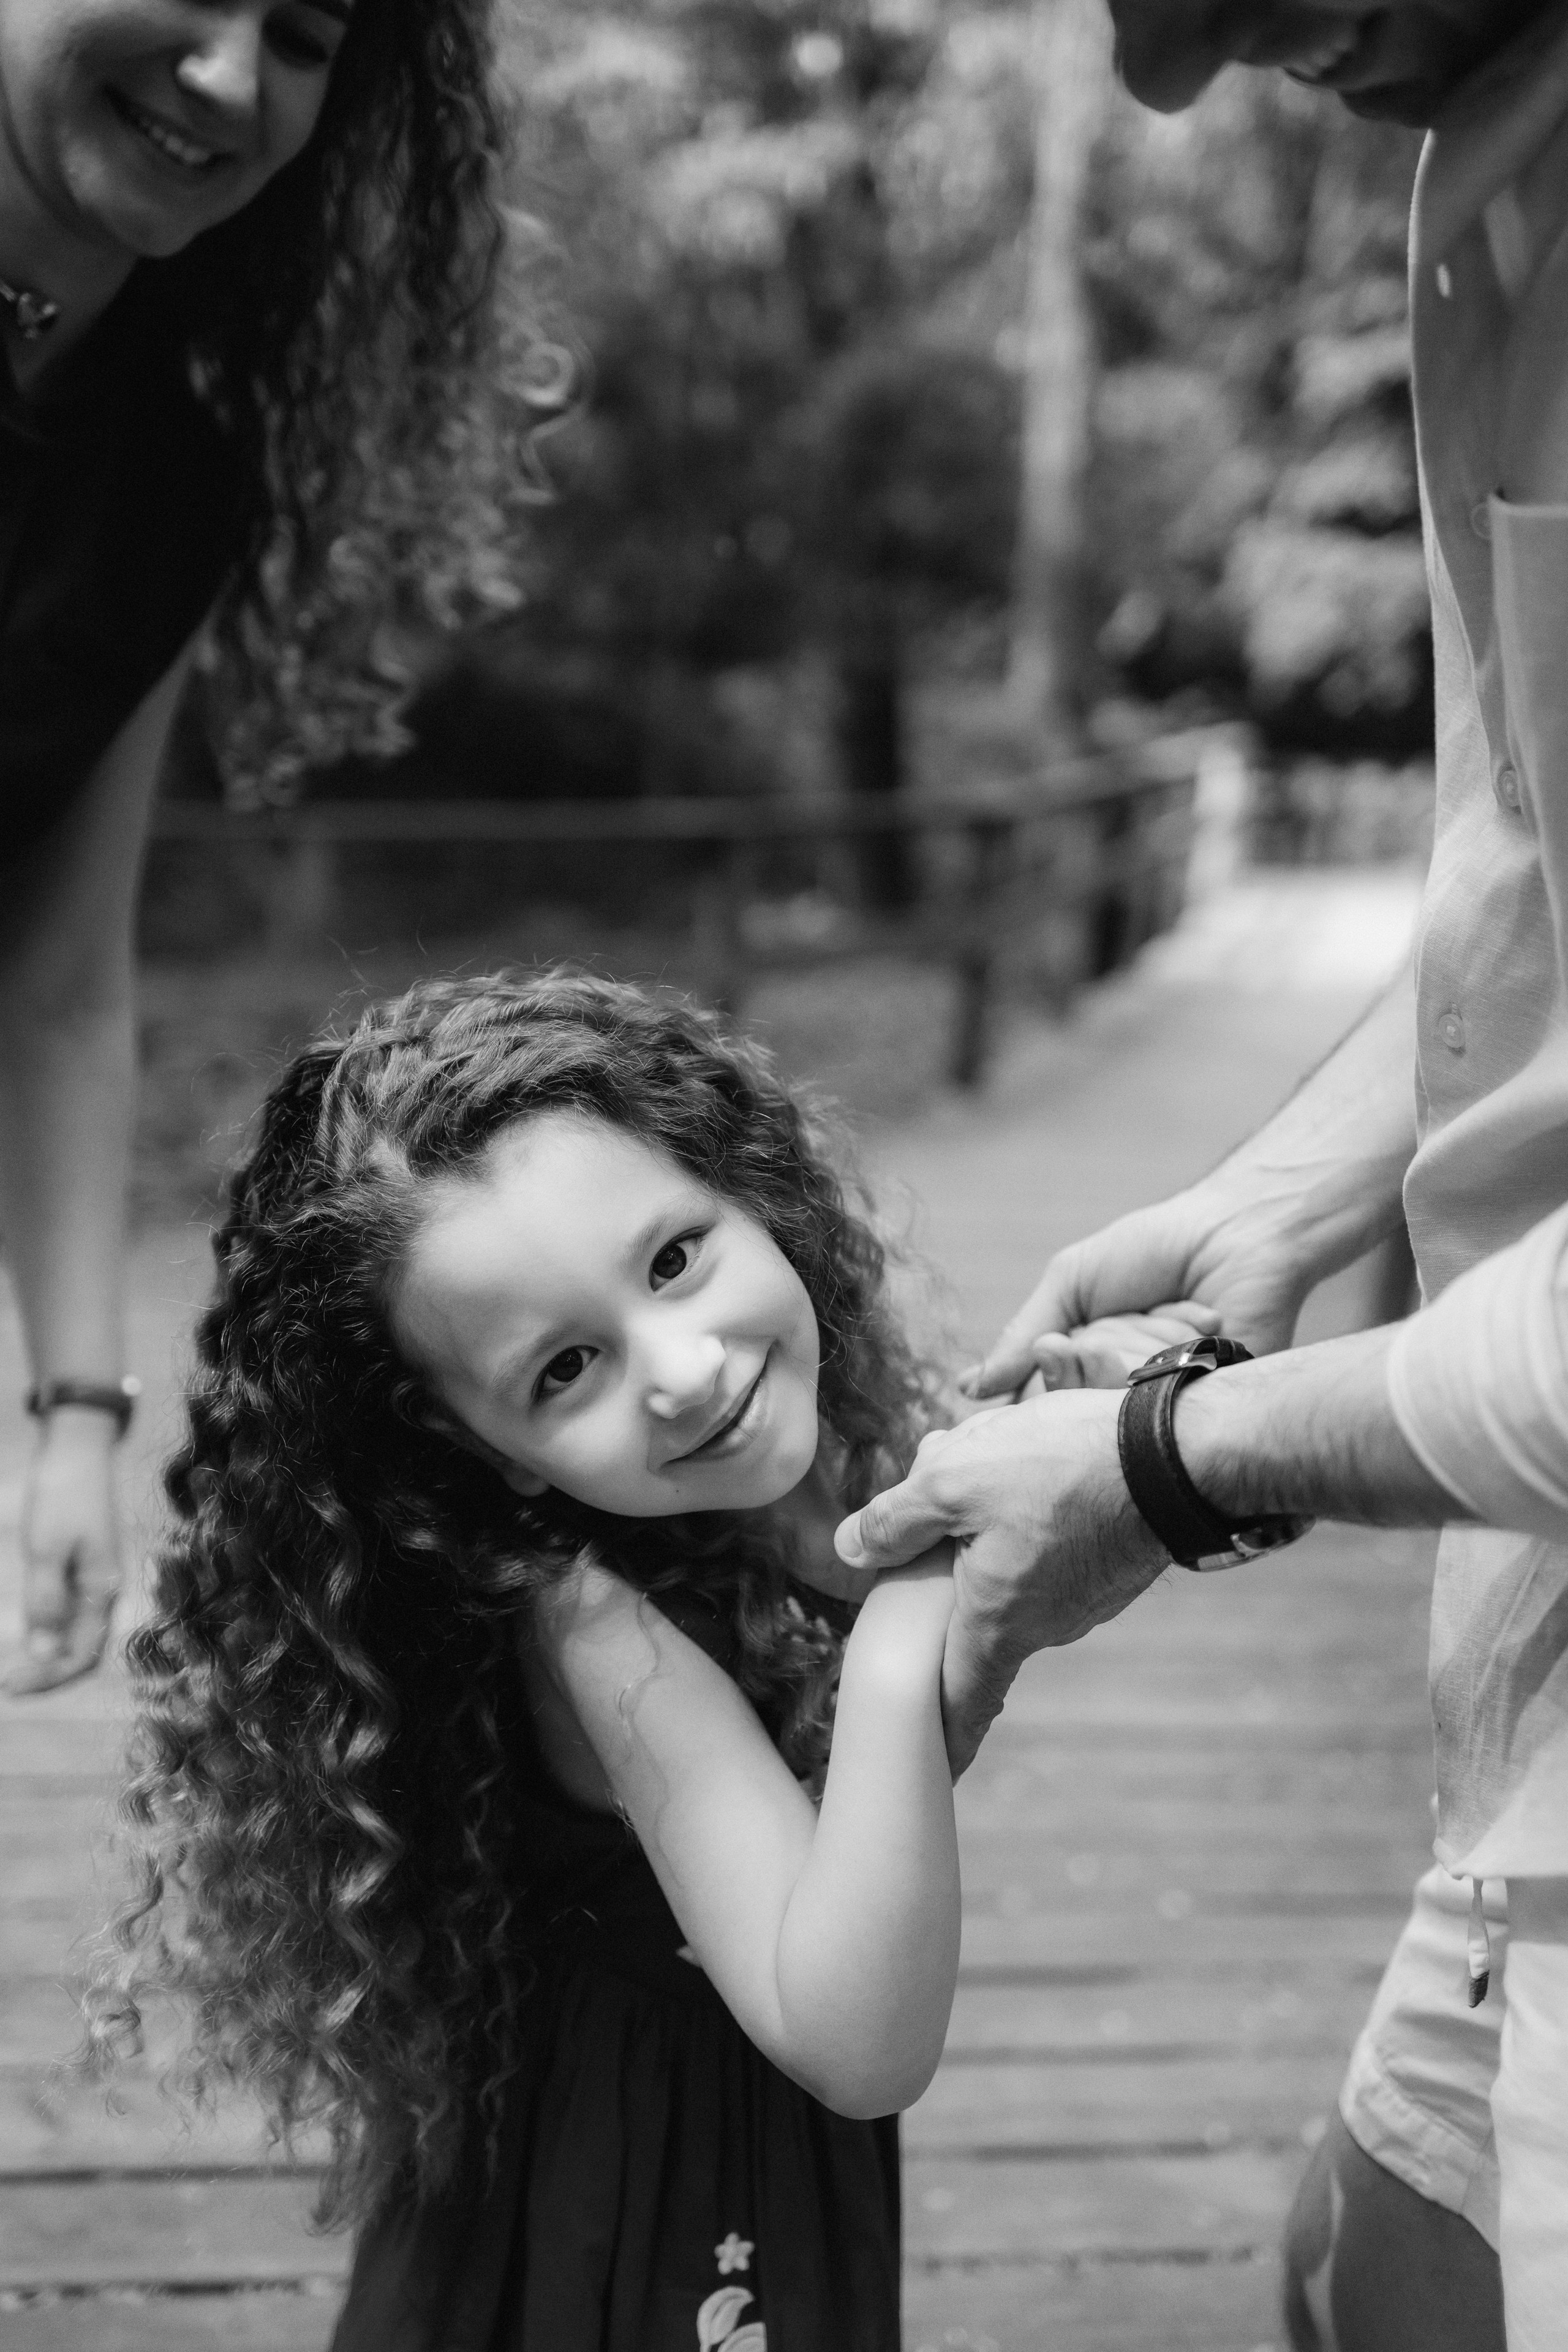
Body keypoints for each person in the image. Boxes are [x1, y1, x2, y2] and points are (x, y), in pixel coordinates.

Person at [834, 3, 1568, 2348]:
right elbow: (1535, 864)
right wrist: (1299, 1185)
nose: (1167, 80)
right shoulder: (1494, 157)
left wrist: (1169, 1462)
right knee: (1366, 2267)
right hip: (1530, 1670)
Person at [94, 970, 963, 2351]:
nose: (680, 1371)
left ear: (752, 1195)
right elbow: (858, 2040)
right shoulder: (595, 1627)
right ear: (483, 1449)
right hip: (638, 2186)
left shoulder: (778, 1464)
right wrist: (909, 1626)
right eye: (564, 1371)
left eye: (673, 1260)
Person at [0, 0, 554, 1694]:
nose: (234, 78)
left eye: (308, 35)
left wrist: (75, 1414)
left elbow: (58, 982)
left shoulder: (167, 476)